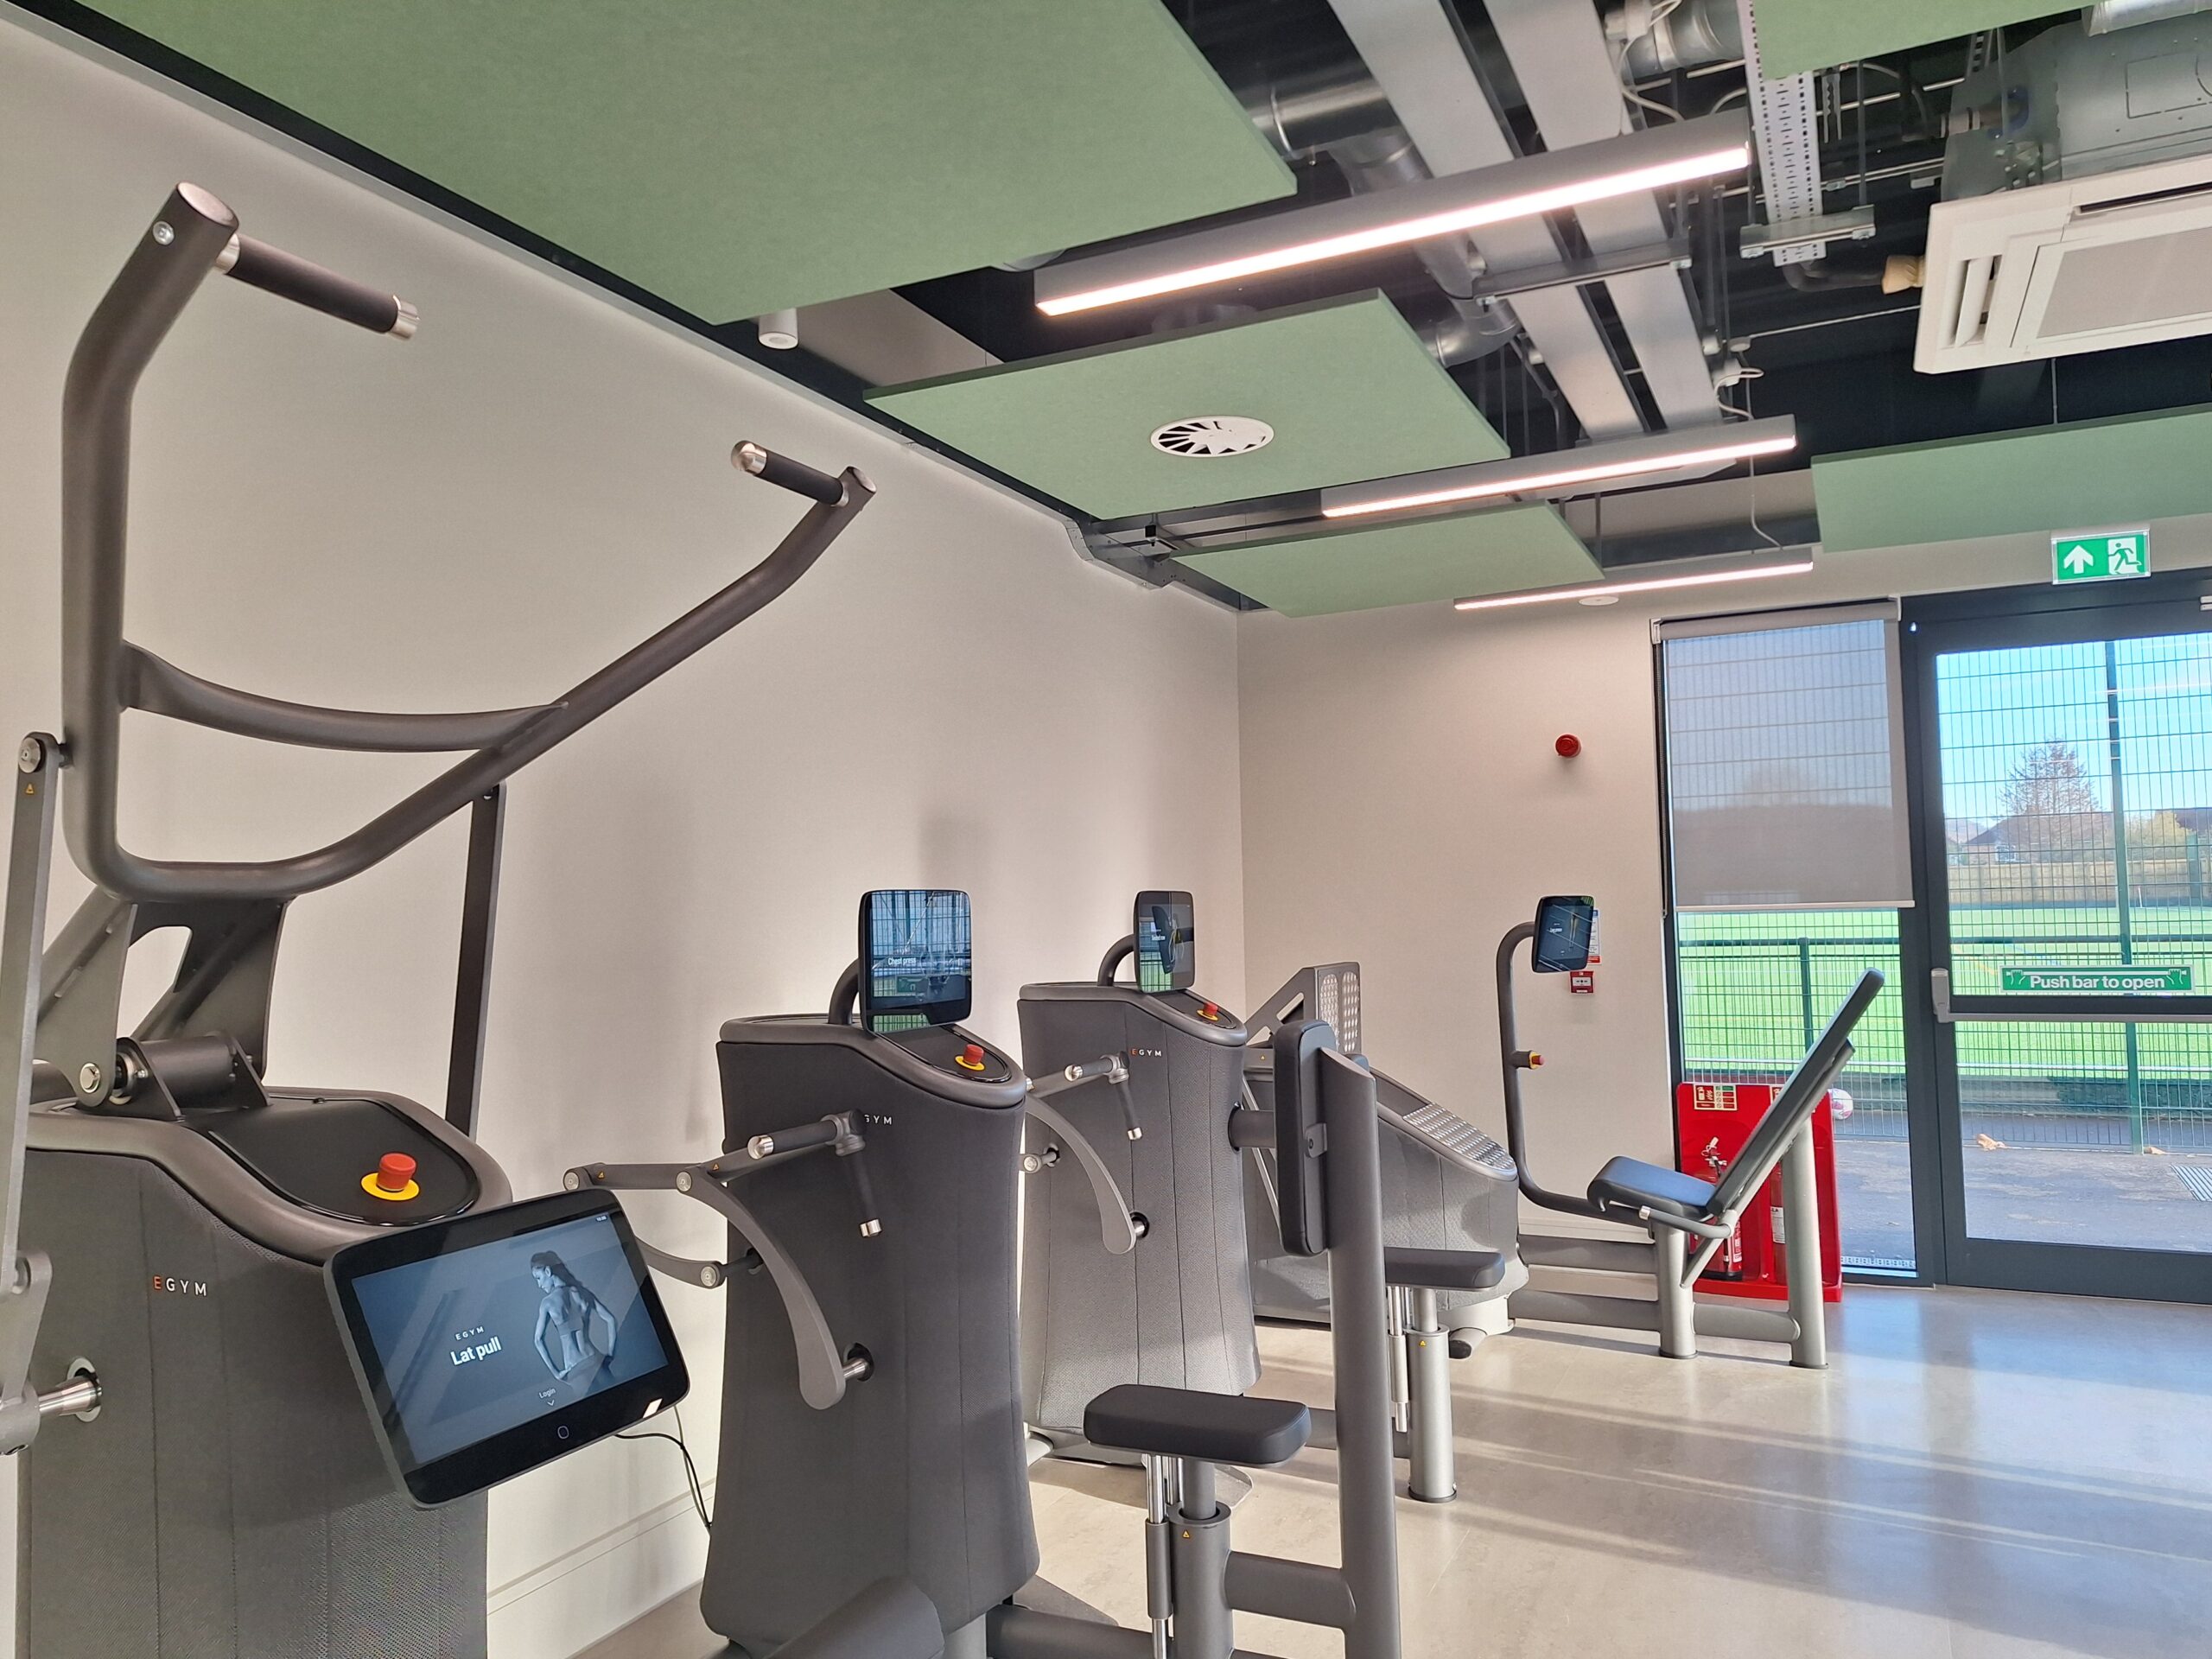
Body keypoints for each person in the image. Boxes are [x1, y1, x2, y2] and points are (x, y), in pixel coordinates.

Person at [531, 1250, 616, 1394]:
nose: (539, 1285)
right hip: (595, 1360)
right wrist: (611, 1353)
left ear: (547, 1271)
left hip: (574, 1370)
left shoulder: (547, 1303)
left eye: (538, 1278)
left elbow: (538, 1340)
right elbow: (611, 1320)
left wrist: (556, 1374)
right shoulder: (581, 1292)